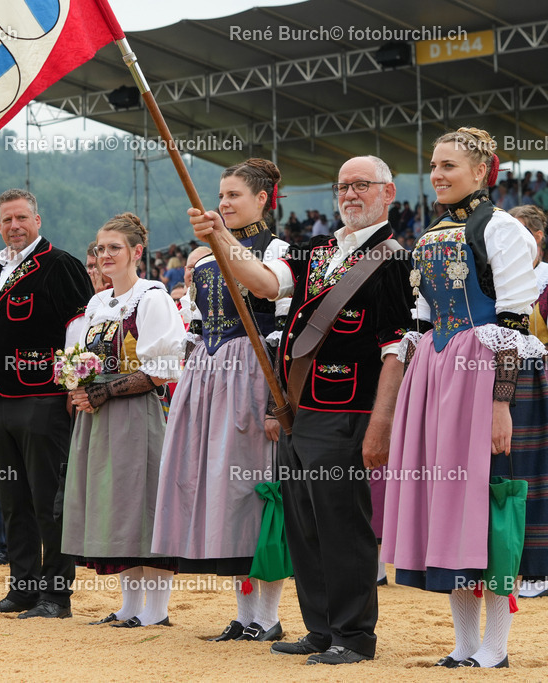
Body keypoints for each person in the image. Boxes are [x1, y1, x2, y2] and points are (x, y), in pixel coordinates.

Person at [190, 155, 413, 665]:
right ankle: (321, 628)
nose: (350, 194)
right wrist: (221, 236)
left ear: (388, 193)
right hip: (300, 407)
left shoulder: (395, 261)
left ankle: (353, 635)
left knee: (342, 526)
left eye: (361, 185)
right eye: (343, 185)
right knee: (305, 524)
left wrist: (381, 423)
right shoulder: (317, 249)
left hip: (350, 410)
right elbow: (265, 283)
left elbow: (397, 348)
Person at [383, 128, 546, 668]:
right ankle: (463, 643)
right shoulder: (430, 234)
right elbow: (421, 319)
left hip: (487, 373)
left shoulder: (502, 230)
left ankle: (495, 646)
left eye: (449, 165)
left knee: (491, 504)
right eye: (434, 165)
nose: (437, 175)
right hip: (438, 371)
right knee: (448, 504)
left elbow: (515, 323)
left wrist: (502, 405)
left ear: (481, 171)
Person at [154, 159, 291, 642]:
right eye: (221, 195)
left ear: (262, 199)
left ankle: (267, 616)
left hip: (251, 377)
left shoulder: (277, 251)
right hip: (208, 379)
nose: (224, 203)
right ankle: (244, 613)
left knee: (253, 493)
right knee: (222, 495)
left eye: (234, 195)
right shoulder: (205, 257)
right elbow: (196, 327)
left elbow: (282, 329)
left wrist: (276, 403)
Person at [0, 189, 93, 619]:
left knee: (48, 502)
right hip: (0, 399)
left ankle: (56, 596)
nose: (14, 226)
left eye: (21, 217)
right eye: (7, 220)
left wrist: (73, 386)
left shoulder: (60, 264)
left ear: (37, 221)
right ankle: (22, 589)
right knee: (13, 501)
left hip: (43, 396)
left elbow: (79, 327)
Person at [64, 213, 185, 627]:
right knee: (116, 507)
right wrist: (80, 388)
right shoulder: (98, 304)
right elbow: (82, 363)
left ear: (137, 252)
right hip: (98, 418)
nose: (105, 255)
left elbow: (163, 368)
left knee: (144, 504)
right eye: (100, 248)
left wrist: (106, 391)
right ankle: (130, 605)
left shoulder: (152, 297)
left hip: (136, 413)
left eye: (114, 247)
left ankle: (157, 609)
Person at [507, 204, 548, 599]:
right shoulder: (502, 279)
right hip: (512, 385)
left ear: (537, 237)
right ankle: (524, 563)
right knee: (522, 474)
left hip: (541, 383)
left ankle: (540, 568)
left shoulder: (546, 282)